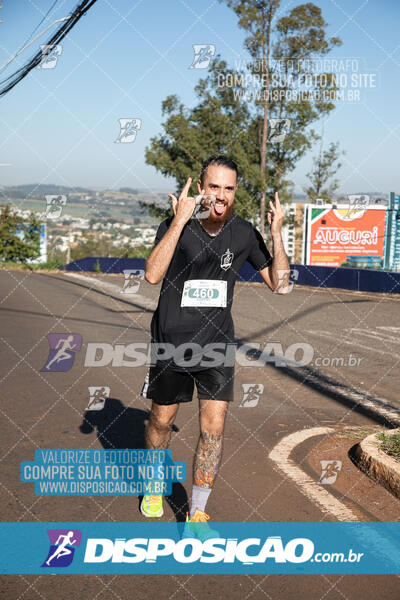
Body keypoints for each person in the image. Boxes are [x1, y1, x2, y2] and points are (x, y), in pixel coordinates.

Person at [140, 155, 290, 533]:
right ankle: (154, 484)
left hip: (216, 343)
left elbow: (281, 283)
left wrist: (275, 234)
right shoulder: (177, 225)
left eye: (229, 188)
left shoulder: (242, 233)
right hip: (171, 341)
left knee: (214, 426)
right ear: (202, 187)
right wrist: (178, 220)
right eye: (214, 187)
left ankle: (198, 512)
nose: (221, 196)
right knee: (161, 420)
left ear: (235, 192)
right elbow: (153, 275)